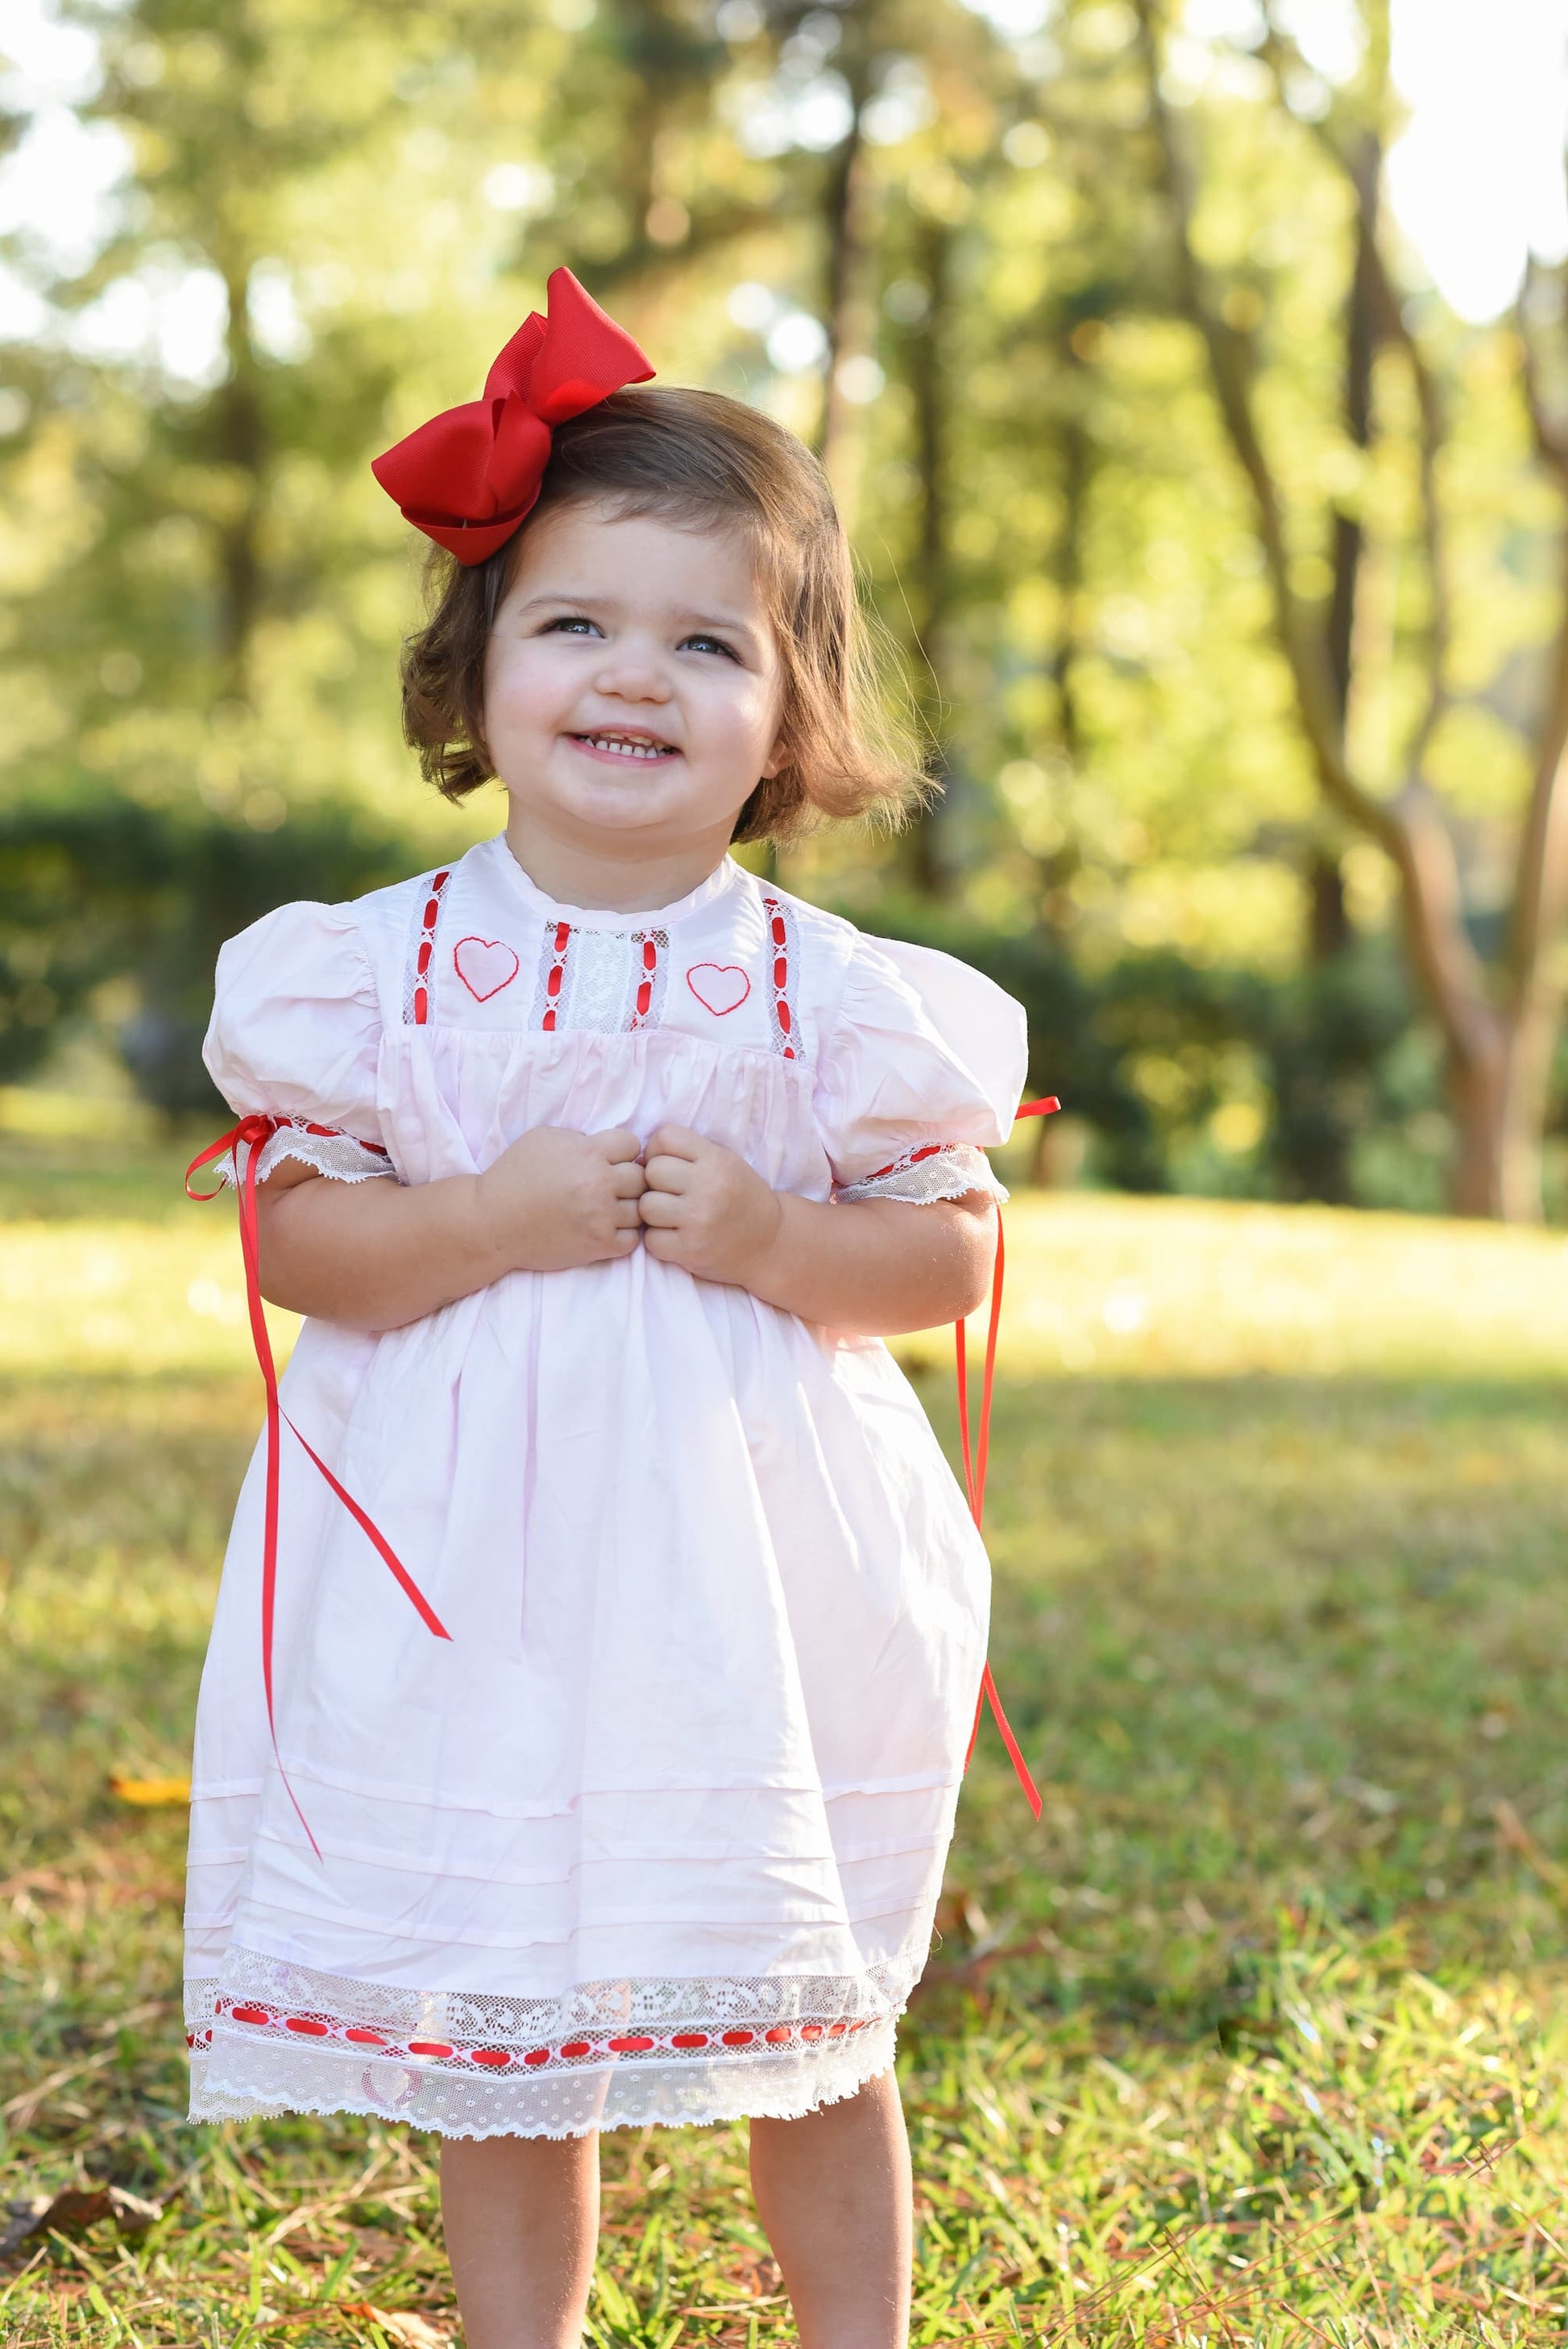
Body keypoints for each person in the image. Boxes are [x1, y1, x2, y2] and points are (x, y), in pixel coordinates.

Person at [185, 268, 1028, 2349]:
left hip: (752, 1577)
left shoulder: (834, 998)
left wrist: (770, 1236)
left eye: (703, 641)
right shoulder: (370, 973)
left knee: (808, 1998)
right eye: (575, 621)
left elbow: (949, 1252)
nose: (630, 675)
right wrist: (477, 1215)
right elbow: (298, 1245)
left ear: (784, 711)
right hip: (470, 1573)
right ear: (480, 670)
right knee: (508, 1999)